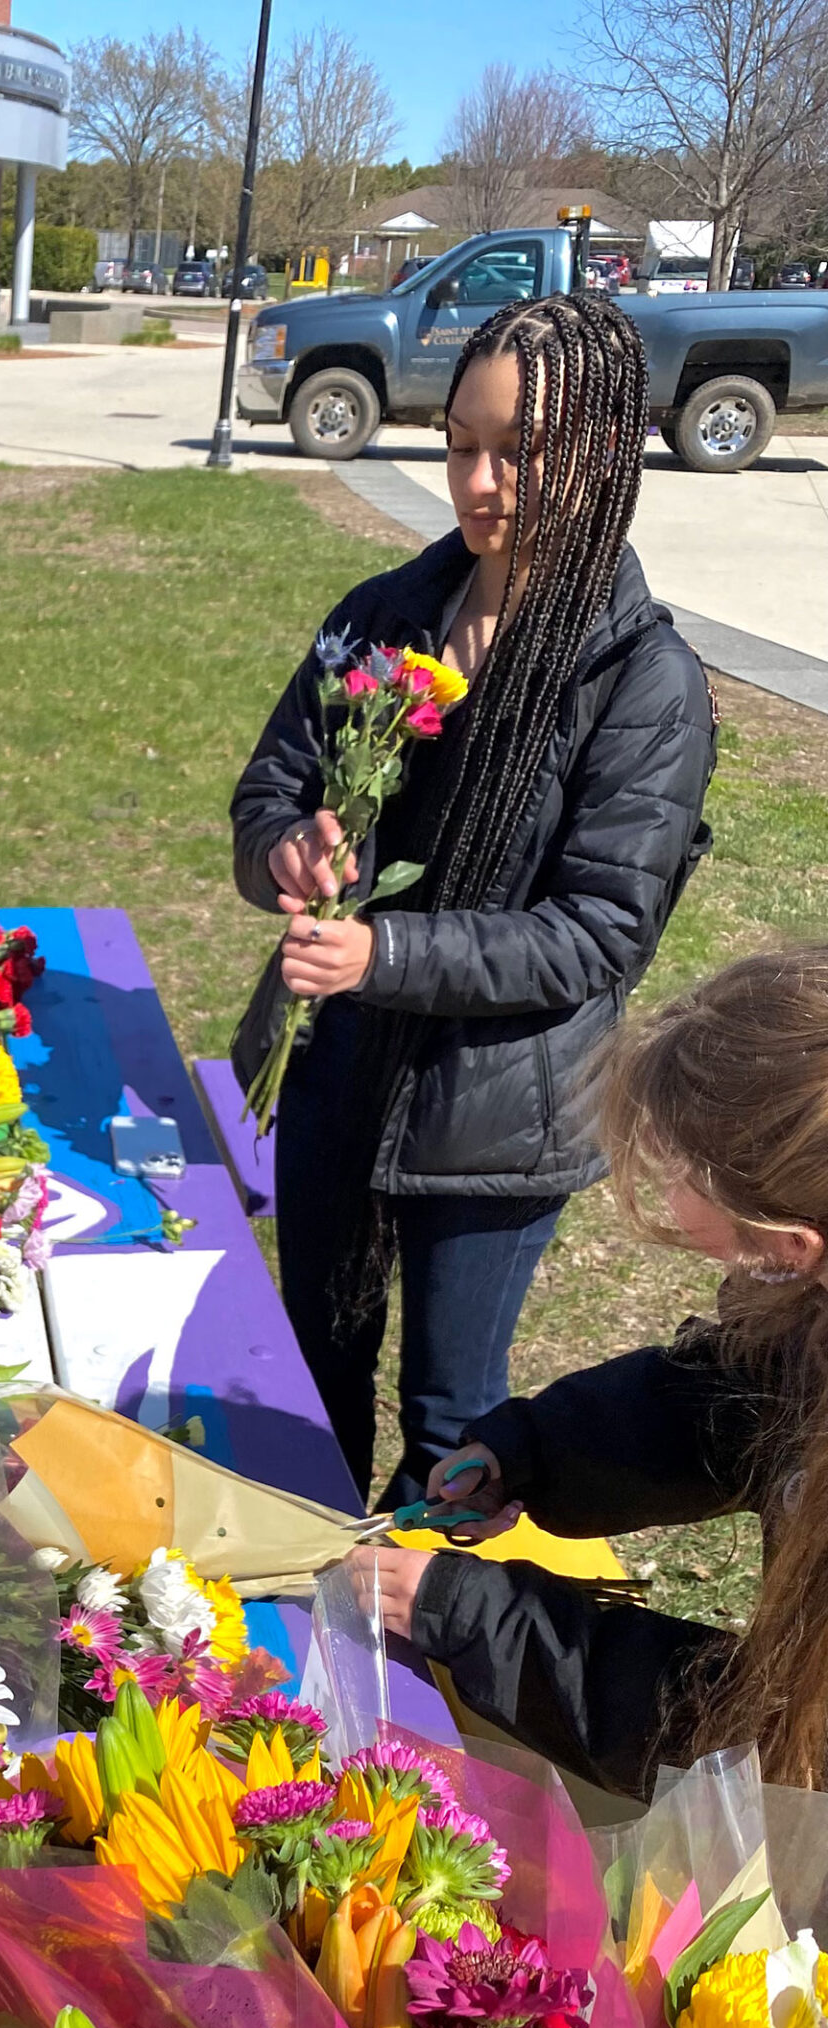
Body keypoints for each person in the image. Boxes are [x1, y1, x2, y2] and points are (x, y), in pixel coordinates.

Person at [231, 292, 715, 1509]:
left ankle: (416, 1619)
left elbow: (596, 934)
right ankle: (307, 1588)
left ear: (604, 453)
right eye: (460, 445)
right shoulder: (385, 614)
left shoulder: (645, 682)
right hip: (340, 1070)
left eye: (520, 451)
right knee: (312, 1372)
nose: (480, 482)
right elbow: (270, 788)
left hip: (497, 1120)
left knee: (451, 1425)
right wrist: (288, 849)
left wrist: (380, 955)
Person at [352, 949, 828, 1800]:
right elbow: (733, 1398)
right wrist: (538, 1451)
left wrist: (474, 1617)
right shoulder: (806, 1300)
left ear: (792, 1242)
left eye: (682, 1179)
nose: (667, 1195)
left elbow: (771, 1736)